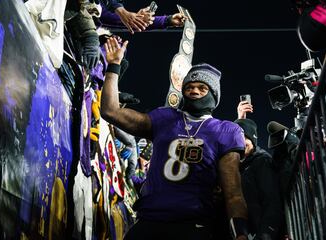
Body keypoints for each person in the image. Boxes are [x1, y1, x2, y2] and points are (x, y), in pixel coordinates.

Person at [100, 36, 248, 240]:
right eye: (189, 87)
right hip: (150, 220)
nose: (194, 90)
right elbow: (110, 111)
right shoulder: (165, 118)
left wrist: (240, 233)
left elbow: (233, 192)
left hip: (194, 224)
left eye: (202, 88)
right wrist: (114, 66)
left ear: (214, 94)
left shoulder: (225, 131)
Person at [234, 101, 283, 240]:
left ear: (253, 141)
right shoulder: (237, 165)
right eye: (237, 139)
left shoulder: (261, 161)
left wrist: (265, 235)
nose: (241, 143)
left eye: (245, 139)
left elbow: (272, 202)